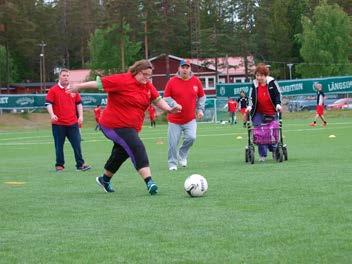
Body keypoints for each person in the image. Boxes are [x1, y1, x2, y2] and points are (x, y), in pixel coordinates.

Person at [67, 59, 182, 194]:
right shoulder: (122, 80)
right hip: (113, 125)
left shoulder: (147, 86)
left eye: (149, 75)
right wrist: (78, 87)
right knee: (136, 146)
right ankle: (149, 181)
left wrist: (169, 109)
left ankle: (104, 179)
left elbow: (157, 100)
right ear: (136, 72)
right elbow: (98, 83)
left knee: (121, 152)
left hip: (131, 128)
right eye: (144, 74)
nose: (147, 78)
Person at [45, 68, 91, 172]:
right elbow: (48, 104)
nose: (66, 77)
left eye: (67, 76)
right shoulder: (53, 90)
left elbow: (79, 103)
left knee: (77, 144)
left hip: (72, 123)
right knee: (59, 146)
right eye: (63, 76)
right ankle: (59, 165)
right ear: (59, 77)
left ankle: (80, 164)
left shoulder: (74, 89)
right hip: (58, 124)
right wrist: (52, 115)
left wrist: (81, 116)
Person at [164, 59, 206, 171]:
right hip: (174, 120)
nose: (185, 69)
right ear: (179, 68)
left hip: (190, 119)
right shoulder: (172, 81)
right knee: (172, 144)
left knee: (191, 137)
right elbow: (166, 97)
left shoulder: (196, 81)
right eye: (183, 67)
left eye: (187, 67)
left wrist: (200, 109)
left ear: (190, 69)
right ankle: (172, 163)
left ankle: (182, 154)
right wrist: (174, 104)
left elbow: (202, 96)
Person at [246, 63, 282, 162]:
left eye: (261, 75)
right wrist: (249, 106)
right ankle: (263, 155)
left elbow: (278, 94)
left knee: (272, 132)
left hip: (271, 112)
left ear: (266, 75)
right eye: (257, 75)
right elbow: (251, 97)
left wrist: (278, 104)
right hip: (258, 112)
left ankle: (274, 149)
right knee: (259, 133)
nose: (259, 77)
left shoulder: (272, 83)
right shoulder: (254, 84)